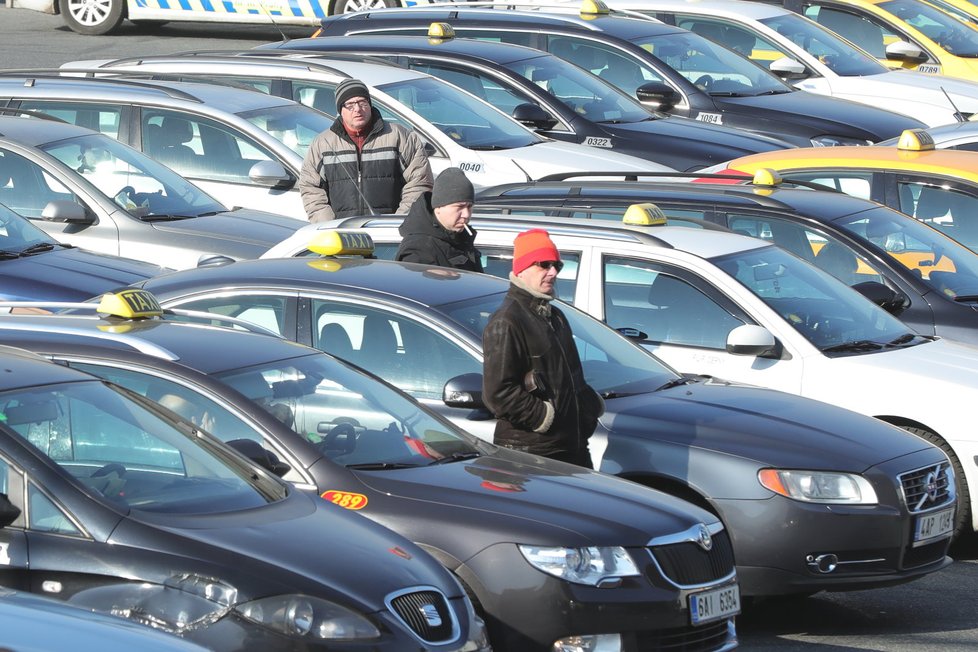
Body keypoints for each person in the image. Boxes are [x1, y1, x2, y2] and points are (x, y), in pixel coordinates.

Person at [482, 229, 604, 468]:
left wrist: (588, 409)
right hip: (532, 454)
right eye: (544, 264)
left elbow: (571, 377)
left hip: (572, 447)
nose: (553, 272)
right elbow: (498, 393)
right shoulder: (507, 321)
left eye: (557, 265)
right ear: (522, 269)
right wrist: (545, 417)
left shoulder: (555, 315)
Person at [298, 78, 433, 222]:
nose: (357, 109)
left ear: (369, 104)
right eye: (350, 104)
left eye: (362, 102)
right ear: (340, 110)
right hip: (342, 236)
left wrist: (397, 223)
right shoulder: (323, 144)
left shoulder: (400, 137)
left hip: (389, 234)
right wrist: (330, 227)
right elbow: (311, 188)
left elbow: (419, 183)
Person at [395, 167, 483, 272]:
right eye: (459, 207)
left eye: (469, 207)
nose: (466, 214)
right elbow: (411, 286)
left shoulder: (462, 239)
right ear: (438, 208)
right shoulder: (419, 249)